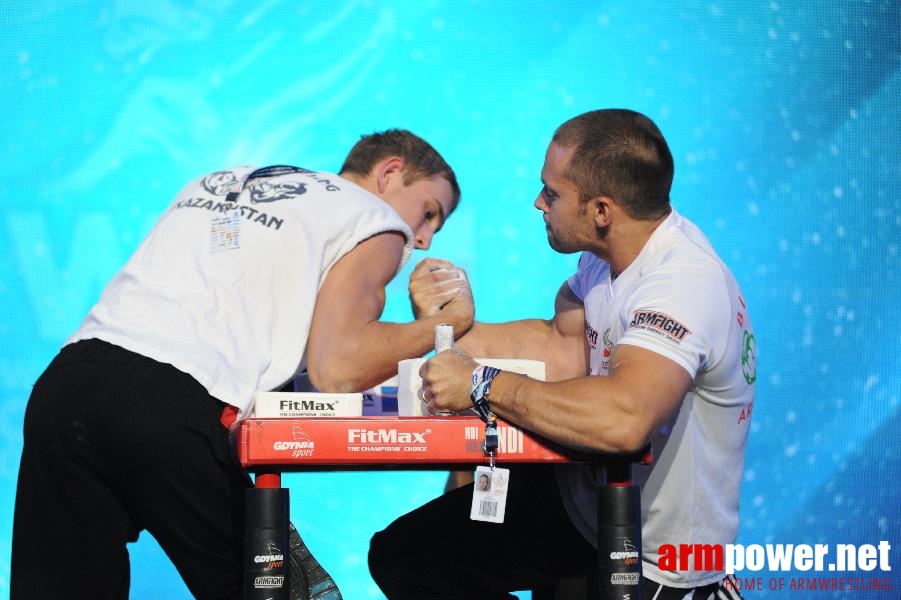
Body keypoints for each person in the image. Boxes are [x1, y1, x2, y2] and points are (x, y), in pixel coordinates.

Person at [11, 129, 475, 600]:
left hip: (66, 387)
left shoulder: (218, 182)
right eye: (429, 212)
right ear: (389, 172)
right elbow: (339, 367)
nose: (422, 237)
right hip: (167, 406)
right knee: (288, 594)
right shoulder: (374, 218)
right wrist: (445, 327)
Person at [368, 109, 755, 600]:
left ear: (601, 210)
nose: (538, 202)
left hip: (659, 563)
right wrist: (450, 328)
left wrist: (482, 384)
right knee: (405, 558)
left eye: (551, 193)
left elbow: (623, 420)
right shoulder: (605, 258)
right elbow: (561, 345)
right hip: (583, 513)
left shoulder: (682, 285)